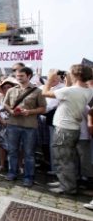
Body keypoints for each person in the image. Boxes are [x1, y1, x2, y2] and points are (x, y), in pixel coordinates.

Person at [42, 65, 93, 194]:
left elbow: (44, 93)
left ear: (76, 75)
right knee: (70, 158)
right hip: (74, 128)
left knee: (62, 158)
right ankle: (66, 182)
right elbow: (74, 87)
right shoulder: (88, 90)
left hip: (63, 129)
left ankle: (67, 187)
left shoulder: (69, 91)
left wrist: (49, 79)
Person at [2, 67, 47, 187]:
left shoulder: (37, 91)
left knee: (29, 153)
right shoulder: (11, 90)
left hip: (29, 126)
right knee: (12, 151)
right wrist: (11, 111)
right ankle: (12, 173)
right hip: (13, 124)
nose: (19, 78)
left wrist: (30, 112)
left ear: (29, 76)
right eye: (17, 76)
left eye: (21, 76)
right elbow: (5, 104)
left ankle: (28, 177)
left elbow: (43, 108)